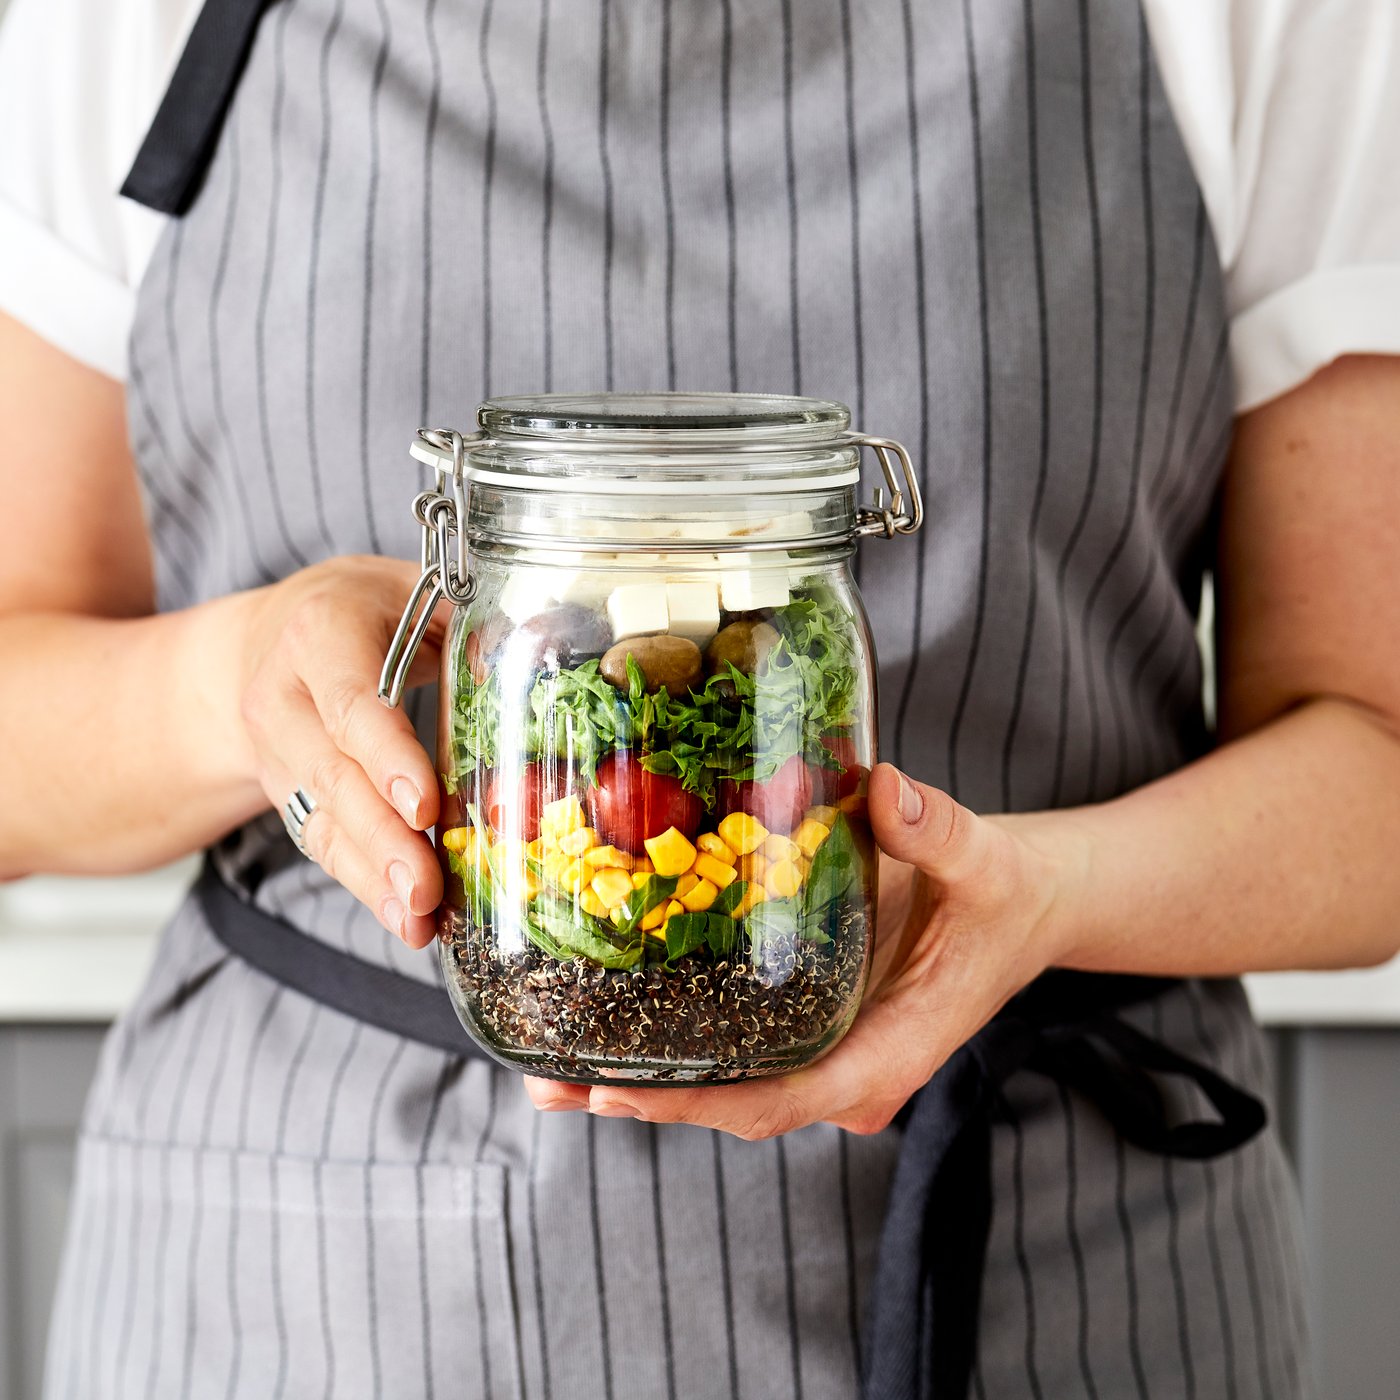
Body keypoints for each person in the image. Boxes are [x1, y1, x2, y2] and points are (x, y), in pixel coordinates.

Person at [2, 0, 1397, 1396]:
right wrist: (234, 681)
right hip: (310, 1293)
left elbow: (1373, 745)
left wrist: (1043, 890)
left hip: (1067, 1275)